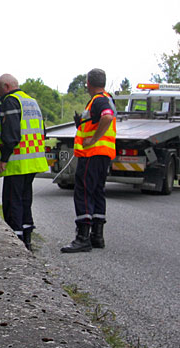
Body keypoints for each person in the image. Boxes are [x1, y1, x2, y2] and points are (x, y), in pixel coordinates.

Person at [0, 74, 49, 250]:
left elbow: (11, 134)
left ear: (6, 86)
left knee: (12, 202)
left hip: (17, 161)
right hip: (33, 160)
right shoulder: (31, 101)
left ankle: (17, 243)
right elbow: (42, 130)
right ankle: (27, 236)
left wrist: (4, 159)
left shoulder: (11, 101)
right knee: (25, 199)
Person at [61, 68, 117, 253]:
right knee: (97, 192)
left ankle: (82, 237)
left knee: (84, 192)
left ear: (88, 83)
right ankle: (97, 236)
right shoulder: (106, 98)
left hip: (92, 153)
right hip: (103, 154)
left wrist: (93, 139)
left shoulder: (99, 100)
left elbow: (107, 117)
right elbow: (99, 120)